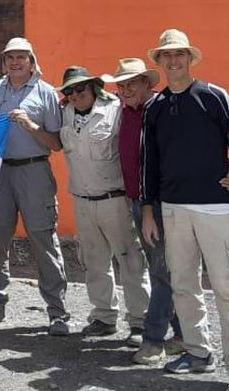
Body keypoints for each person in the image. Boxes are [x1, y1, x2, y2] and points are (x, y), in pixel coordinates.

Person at [140, 29, 229, 391]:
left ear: (190, 59)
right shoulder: (155, 107)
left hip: (215, 209)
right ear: (159, 62)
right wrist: (148, 210)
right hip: (173, 210)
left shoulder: (214, 96)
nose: (174, 61)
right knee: (184, 285)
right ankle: (197, 352)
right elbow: (148, 162)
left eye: (180, 55)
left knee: (227, 286)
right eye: (167, 56)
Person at [0, 37, 71, 336]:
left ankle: (58, 313)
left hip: (34, 170)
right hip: (1, 173)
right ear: (3, 62)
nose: (15, 62)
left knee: (44, 241)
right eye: (10, 58)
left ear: (32, 61)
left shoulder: (45, 93)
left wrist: (31, 126)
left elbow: (56, 143)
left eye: (21, 57)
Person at [102, 58, 187, 364]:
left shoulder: (164, 109)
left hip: (165, 202)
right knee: (162, 267)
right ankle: (183, 335)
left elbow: (194, 140)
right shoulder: (124, 111)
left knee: (162, 270)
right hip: (138, 202)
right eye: (121, 85)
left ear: (147, 84)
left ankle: (153, 339)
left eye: (131, 84)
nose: (124, 90)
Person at [57, 66, 150, 344]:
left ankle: (140, 322)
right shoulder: (65, 114)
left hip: (115, 199)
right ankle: (104, 317)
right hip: (83, 201)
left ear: (94, 87)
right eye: (69, 91)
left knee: (130, 260)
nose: (75, 95)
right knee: (95, 262)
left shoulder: (116, 110)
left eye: (80, 89)